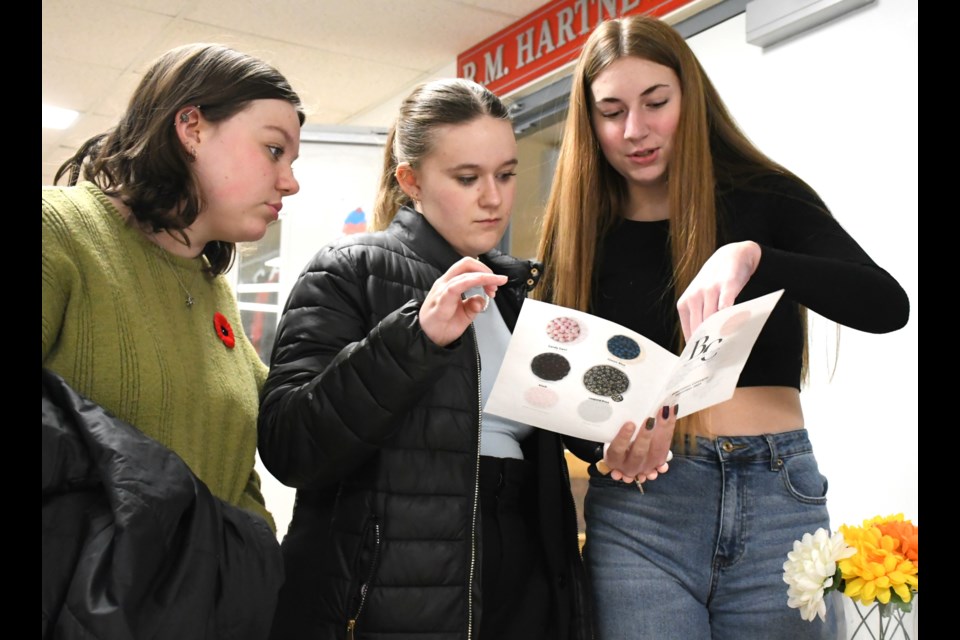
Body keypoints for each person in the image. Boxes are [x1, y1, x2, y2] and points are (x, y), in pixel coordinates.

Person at [535, 15, 910, 640]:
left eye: (656, 102)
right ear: (588, 120)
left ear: (690, 96)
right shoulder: (578, 235)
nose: (635, 130)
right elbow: (558, 405)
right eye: (611, 111)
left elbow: (884, 305)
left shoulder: (767, 197)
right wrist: (605, 447)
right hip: (641, 514)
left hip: (776, 495)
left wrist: (756, 256)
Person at [257, 78, 623, 640]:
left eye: (505, 174)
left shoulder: (520, 296)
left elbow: (566, 438)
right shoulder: (349, 270)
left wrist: (615, 439)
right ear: (411, 180)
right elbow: (290, 445)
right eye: (467, 177)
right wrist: (416, 337)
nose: (494, 198)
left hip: (524, 583)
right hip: (389, 598)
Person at [42, 42, 303, 637]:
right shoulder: (58, 229)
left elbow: (240, 461)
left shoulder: (216, 292)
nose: (289, 181)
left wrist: (250, 552)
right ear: (191, 127)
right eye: (272, 150)